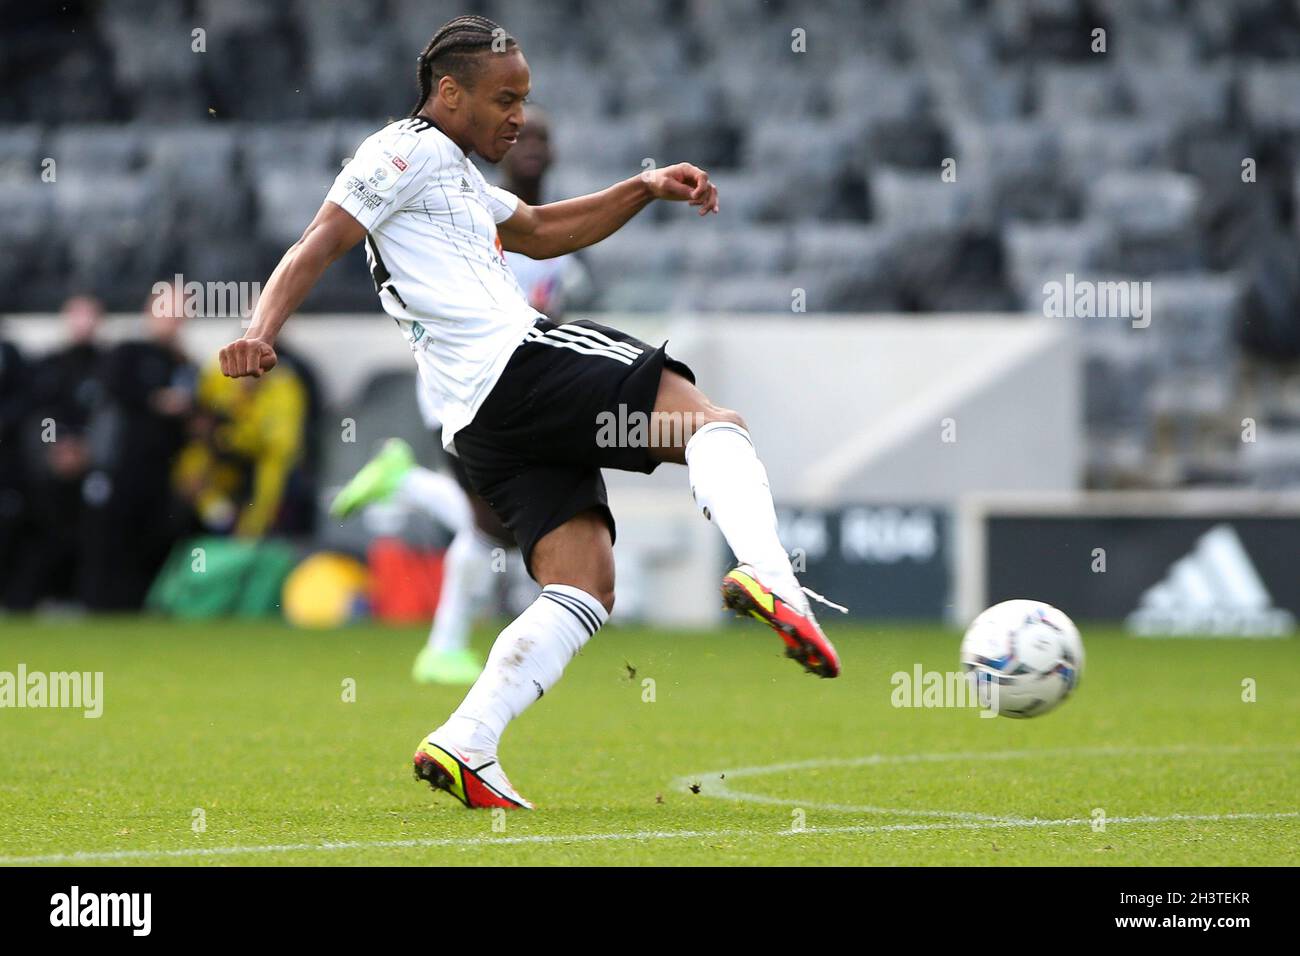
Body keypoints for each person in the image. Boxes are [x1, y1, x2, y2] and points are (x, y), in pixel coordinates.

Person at [219, 15, 840, 811]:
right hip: (518, 364)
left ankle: (468, 740)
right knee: (714, 424)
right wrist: (258, 333)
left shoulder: (452, 170)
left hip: (481, 422)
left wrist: (644, 188)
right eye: (504, 98)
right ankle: (772, 575)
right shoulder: (398, 152)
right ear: (448, 93)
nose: (518, 115)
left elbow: (544, 232)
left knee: (583, 581)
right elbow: (314, 244)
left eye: (525, 99)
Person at [81, 282, 197, 610]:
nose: (173, 318)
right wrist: (156, 401)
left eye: (180, 310)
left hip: (164, 471)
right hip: (121, 466)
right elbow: (112, 392)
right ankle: (98, 606)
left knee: (154, 540)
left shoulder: (185, 363)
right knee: (110, 539)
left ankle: (141, 606)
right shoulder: (127, 353)